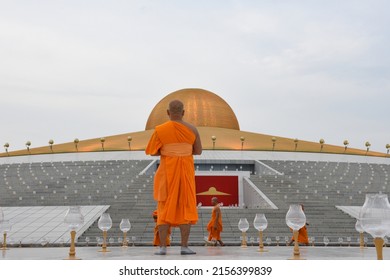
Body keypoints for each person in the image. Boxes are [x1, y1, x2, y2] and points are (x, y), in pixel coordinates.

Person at [145, 100, 202, 255]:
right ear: (183, 112)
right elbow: (198, 151)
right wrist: (182, 151)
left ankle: (163, 247)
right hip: (185, 173)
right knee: (185, 207)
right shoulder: (192, 129)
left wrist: (168, 151)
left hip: (166, 174)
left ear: (168, 113)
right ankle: (184, 246)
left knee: (163, 209)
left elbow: (152, 151)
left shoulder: (160, 130)